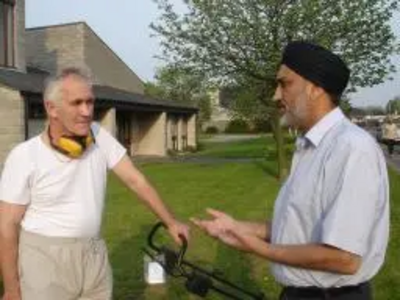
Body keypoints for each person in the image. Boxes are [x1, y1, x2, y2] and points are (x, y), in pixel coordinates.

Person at [192, 41, 389, 300]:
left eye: (285, 84)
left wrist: (259, 248)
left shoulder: (351, 149)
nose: (276, 95)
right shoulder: (309, 147)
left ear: (315, 88)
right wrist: (237, 228)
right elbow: (300, 228)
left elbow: (344, 258)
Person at [0, 67, 189, 300]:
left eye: (90, 102)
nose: (87, 111)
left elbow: (135, 180)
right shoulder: (24, 156)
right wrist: (11, 288)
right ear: (52, 108)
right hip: (44, 259)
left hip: (93, 254)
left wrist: (170, 222)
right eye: (77, 103)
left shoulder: (99, 136)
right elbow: (7, 226)